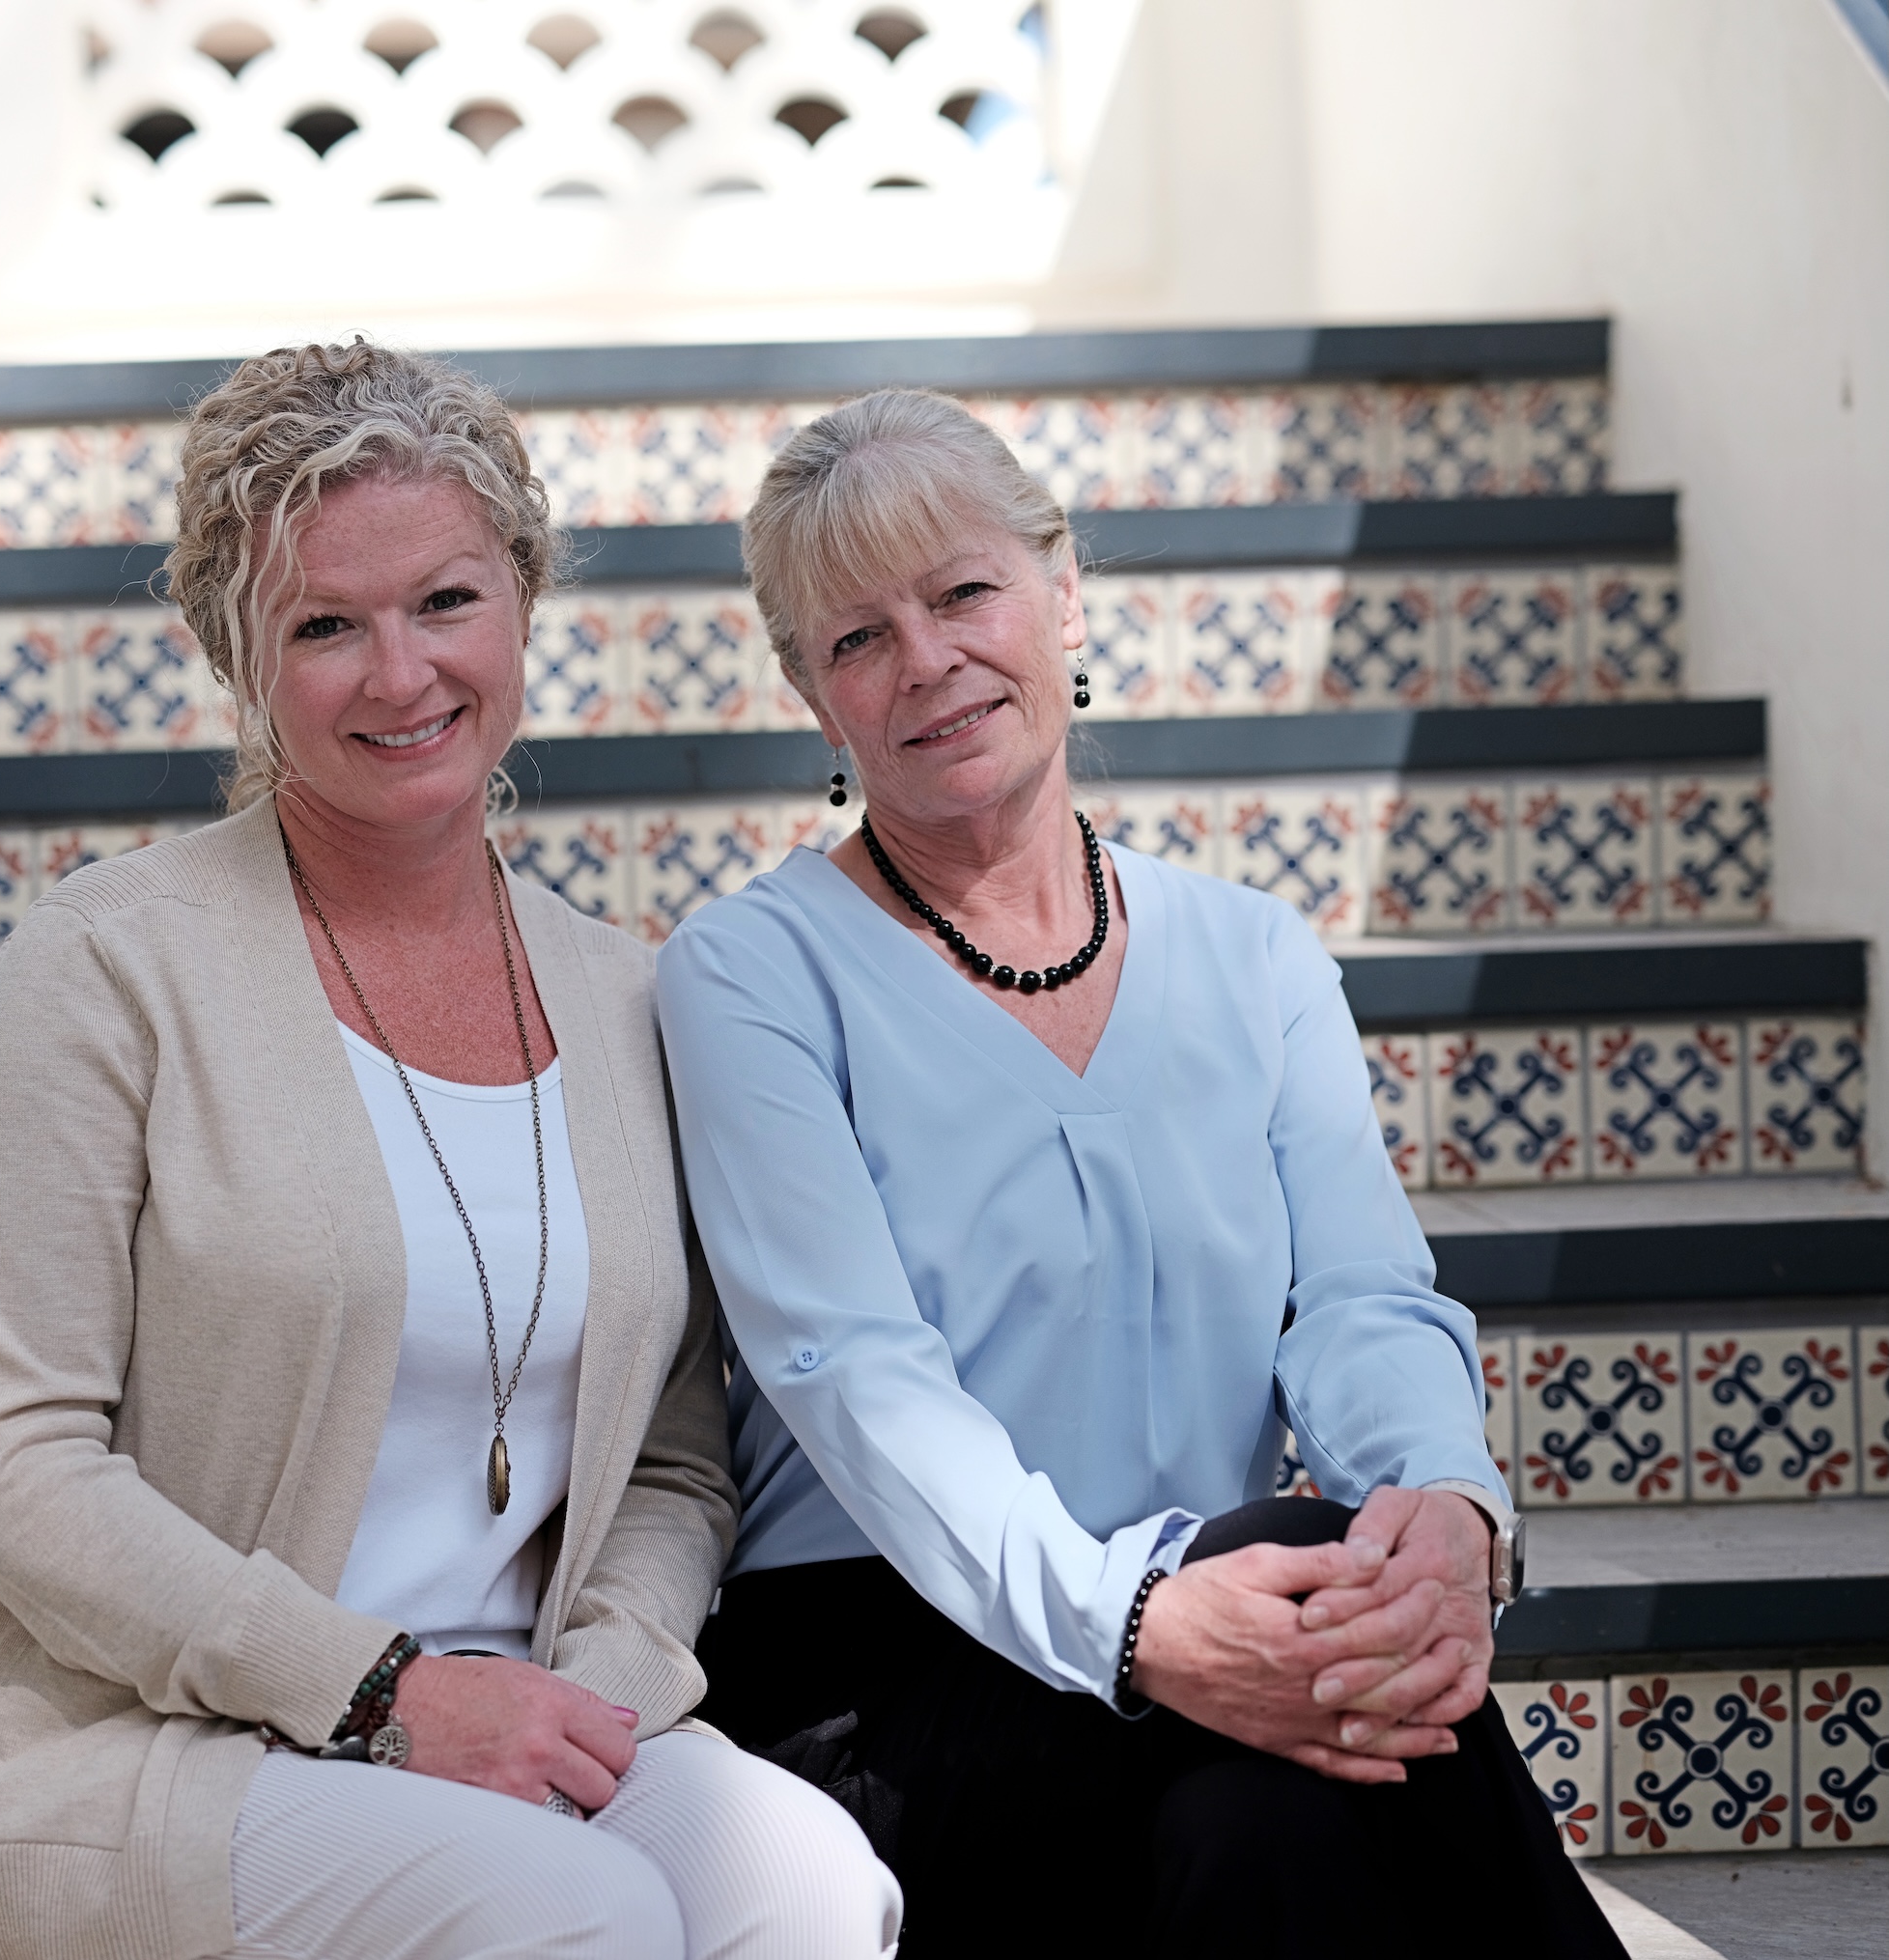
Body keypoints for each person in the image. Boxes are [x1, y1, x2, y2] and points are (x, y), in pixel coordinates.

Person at [0, 339, 900, 1960]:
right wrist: (380, 1693)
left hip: (519, 1712)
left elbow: (673, 1449)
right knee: (571, 1912)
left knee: (805, 1882)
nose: (400, 673)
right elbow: (2, 1456)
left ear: (521, 601)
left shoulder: (626, 992)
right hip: (166, 1742)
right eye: (323, 626)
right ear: (237, 654)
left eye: (444, 601)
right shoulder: (105, 964)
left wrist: (604, 1675)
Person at [656, 389, 1625, 1957]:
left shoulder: (1252, 954)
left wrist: (1447, 1502)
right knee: (1299, 1604)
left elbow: (1366, 1300)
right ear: (810, 692)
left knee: (1273, 1814)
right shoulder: (750, 974)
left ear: (1063, 591)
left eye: (965, 592)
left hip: (1235, 1639)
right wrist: (1137, 1622)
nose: (927, 662)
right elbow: (857, 1377)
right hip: (893, 1662)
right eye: (857, 638)